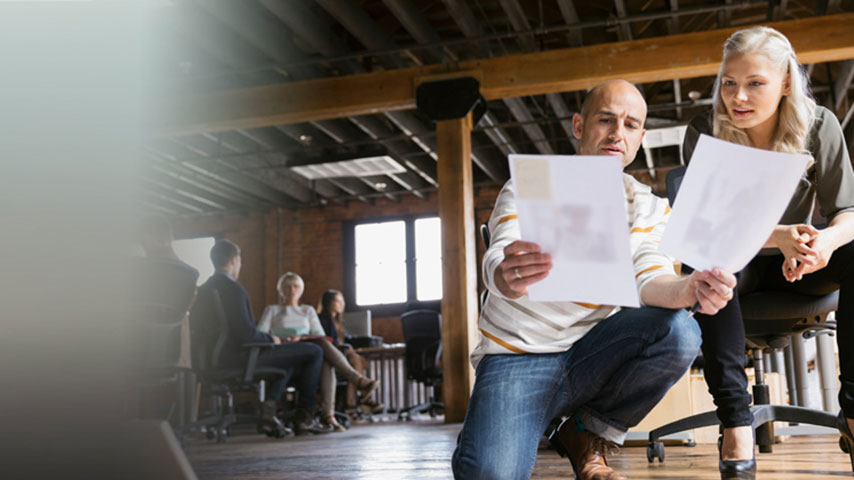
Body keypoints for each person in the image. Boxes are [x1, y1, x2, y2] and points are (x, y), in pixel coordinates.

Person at [451, 79, 738, 480]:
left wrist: (688, 290)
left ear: (640, 137)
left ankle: (586, 432)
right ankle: (494, 423)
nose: (617, 133)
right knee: (490, 473)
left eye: (631, 124)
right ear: (579, 125)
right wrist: (505, 273)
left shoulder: (651, 208)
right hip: (518, 358)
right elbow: (499, 255)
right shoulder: (529, 186)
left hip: (595, 355)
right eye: (606, 119)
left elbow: (648, 280)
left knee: (681, 331)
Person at [681, 26, 854, 479]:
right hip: (737, 261)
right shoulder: (704, 131)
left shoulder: (818, 125)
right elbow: (703, 227)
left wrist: (824, 243)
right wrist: (776, 235)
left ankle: (853, 409)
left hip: (797, 259)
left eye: (755, 83)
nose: (738, 96)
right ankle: (736, 420)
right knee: (710, 263)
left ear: (785, 84)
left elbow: (849, 211)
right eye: (729, 82)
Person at [197, 240, 332, 435]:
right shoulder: (234, 290)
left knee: (289, 359)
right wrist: (272, 340)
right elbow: (246, 335)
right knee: (314, 351)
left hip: (212, 359)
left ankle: (269, 411)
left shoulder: (203, 290)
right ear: (235, 260)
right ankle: (305, 418)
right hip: (239, 357)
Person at [259, 273, 380, 432]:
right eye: (287, 286)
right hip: (285, 354)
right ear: (281, 290)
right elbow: (260, 333)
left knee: (323, 352)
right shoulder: (272, 310)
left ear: (301, 289)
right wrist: (281, 339)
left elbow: (320, 335)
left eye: (295, 286)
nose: (291, 290)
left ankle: (329, 415)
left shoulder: (307, 310)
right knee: (323, 354)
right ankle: (355, 383)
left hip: (308, 354)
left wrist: (301, 337)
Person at [317, 289, 384, 415]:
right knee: (356, 360)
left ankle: (359, 400)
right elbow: (328, 343)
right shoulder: (323, 320)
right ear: (328, 303)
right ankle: (359, 400)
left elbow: (343, 341)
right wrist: (346, 348)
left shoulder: (338, 322)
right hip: (329, 360)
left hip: (341, 358)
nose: (341, 304)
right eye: (337, 301)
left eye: (342, 301)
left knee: (359, 360)